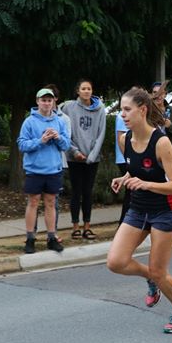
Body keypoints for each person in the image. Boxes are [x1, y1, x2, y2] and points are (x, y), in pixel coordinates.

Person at [107, 87, 172, 333]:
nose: (122, 115)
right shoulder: (125, 140)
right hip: (139, 208)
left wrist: (144, 183)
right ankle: (150, 278)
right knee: (116, 262)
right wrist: (125, 177)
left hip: (165, 210)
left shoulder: (161, 142)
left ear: (142, 110)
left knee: (159, 270)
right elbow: (137, 169)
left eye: (126, 109)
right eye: (120, 110)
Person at [18, 87, 71, 254]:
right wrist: (40, 140)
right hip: (34, 170)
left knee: (50, 203)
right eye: (44, 100)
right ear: (37, 101)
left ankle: (51, 237)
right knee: (33, 202)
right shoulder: (29, 121)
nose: (47, 103)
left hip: (53, 169)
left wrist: (57, 137)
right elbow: (22, 145)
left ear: (54, 102)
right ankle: (30, 238)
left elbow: (66, 145)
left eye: (49, 100)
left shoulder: (59, 121)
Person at [62, 79, 107, 240]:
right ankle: (75, 227)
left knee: (88, 192)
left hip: (92, 159)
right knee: (76, 192)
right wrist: (74, 152)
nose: (86, 91)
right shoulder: (69, 107)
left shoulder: (100, 109)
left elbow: (101, 133)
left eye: (89, 88)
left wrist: (92, 155)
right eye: (83, 88)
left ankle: (87, 226)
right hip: (75, 158)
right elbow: (65, 131)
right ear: (78, 91)